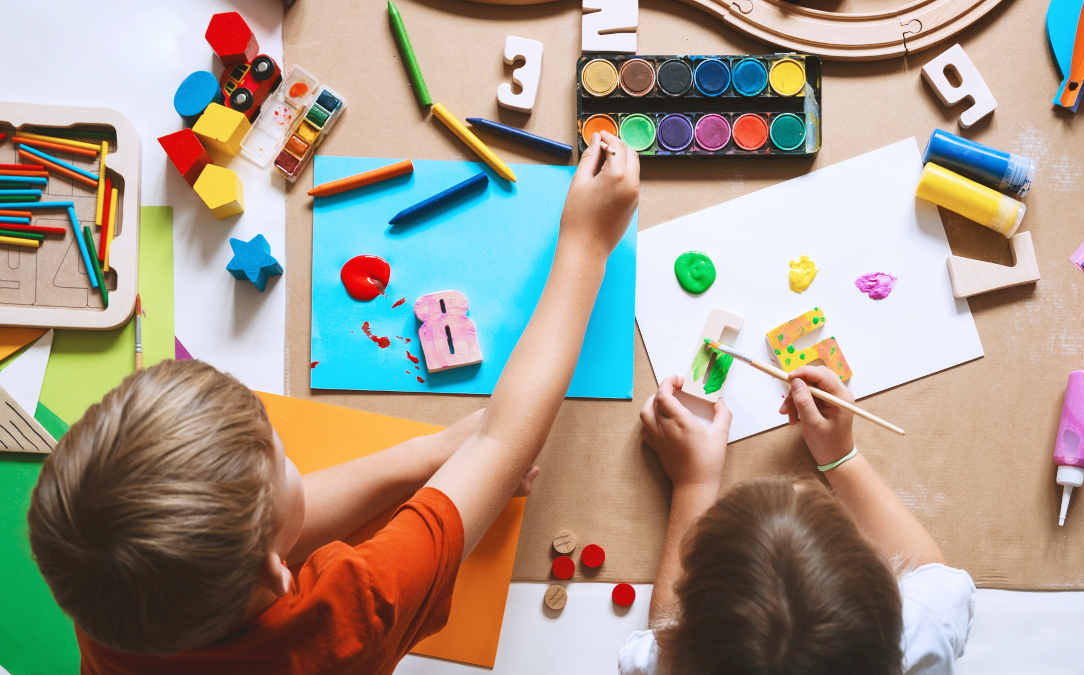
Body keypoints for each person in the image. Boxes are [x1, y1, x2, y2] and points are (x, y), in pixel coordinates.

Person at [27, 131, 638, 674]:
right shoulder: (347, 619)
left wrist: (437, 451)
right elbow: (505, 442)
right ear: (279, 573)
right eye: (282, 457)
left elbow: (269, 528)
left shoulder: (112, 599)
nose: (292, 464)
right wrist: (587, 243)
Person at [624, 366, 975, 675]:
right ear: (885, 583)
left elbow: (658, 638)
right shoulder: (924, 631)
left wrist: (693, 484)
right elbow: (932, 574)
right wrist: (841, 458)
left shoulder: (666, 664)